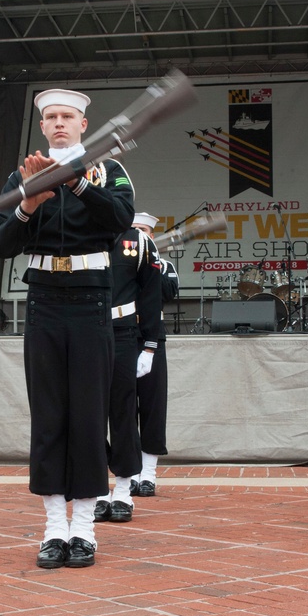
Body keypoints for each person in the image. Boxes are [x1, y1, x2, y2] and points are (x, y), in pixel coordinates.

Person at [0, 88, 134, 568]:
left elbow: (121, 220)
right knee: (49, 414)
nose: (58, 123)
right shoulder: (24, 173)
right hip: (45, 301)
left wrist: (75, 184)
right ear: (43, 125)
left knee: (90, 415)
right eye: (50, 116)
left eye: (66, 116)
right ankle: (54, 526)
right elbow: (2, 244)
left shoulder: (108, 171)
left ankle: (85, 529)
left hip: (92, 300)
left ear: (82, 124)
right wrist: (30, 200)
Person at [94, 212, 162, 524]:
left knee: (122, 413)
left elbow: (151, 296)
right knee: (88, 416)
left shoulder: (138, 242)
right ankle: (94, 490)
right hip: (86, 331)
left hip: (122, 332)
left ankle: (122, 490)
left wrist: (149, 344)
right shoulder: (81, 234)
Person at [130, 213, 179, 497]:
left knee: (152, 406)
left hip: (152, 339)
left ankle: (148, 474)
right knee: (123, 408)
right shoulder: (118, 260)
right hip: (123, 335)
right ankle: (131, 472)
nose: (140, 233)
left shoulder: (164, 264)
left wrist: (154, 264)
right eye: (135, 229)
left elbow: (168, 293)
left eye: (144, 229)